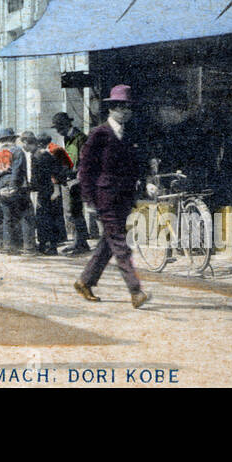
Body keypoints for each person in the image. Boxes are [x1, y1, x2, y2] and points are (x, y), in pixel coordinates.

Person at [73, 85, 151, 309]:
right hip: (104, 197)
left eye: (129, 108)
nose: (127, 112)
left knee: (109, 242)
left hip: (124, 198)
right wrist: (88, 200)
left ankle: (85, 281)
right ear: (113, 109)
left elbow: (136, 165)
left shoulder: (129, 134)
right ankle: (135, 291)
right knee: (120, 243)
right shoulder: (99, 133)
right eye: (122, 107)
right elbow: (86, 170)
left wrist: (144, 184)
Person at [0, 128, 34, 255]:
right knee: (26, 216)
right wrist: (13, 186)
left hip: (2, 188)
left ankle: (8, 246)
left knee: (7, 217)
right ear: (13, 139)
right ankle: (28, 247)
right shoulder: (18, 151)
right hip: (18, 188)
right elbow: (17, 170)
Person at [52, 111, 93, 255]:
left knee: (74, 212)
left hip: (77, 180)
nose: (57, 130)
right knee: (70, 212)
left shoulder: (79, 138)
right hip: (69, 179)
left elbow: (85, 160)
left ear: (64, 125)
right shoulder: (68, 138)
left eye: (57, 127)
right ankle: (79, 241)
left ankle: (80, 243)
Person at [31, 132, 67, 254]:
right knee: (52, 218)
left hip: (44, 190)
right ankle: (52, 245)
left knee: (43, 218)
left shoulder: (39, 156)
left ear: (39, 143)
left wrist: (33, 187)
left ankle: (45, 245)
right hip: (52, 190)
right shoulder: (53, 154)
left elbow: (38, 177)